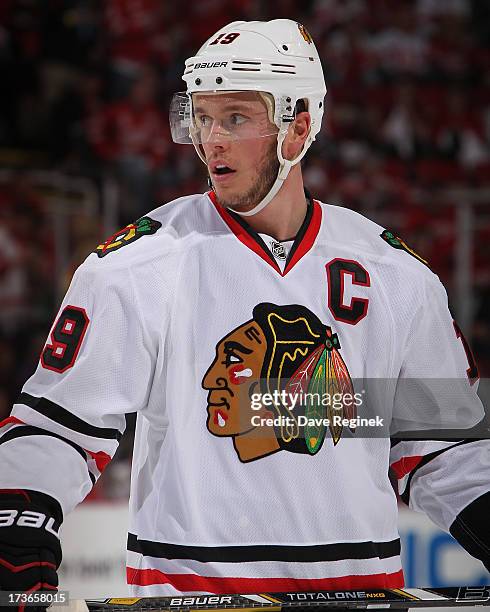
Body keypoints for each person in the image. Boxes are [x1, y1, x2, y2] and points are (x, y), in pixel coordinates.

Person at [0, 19, 489, 601]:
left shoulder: (397, 275)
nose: (212, 141)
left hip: (362, 594)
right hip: (189, 599)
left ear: (298, 125)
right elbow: (59, 428)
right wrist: (19, 529)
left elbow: (445, 446)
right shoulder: (137, 266)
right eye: (202, 118)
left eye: (235, 118)